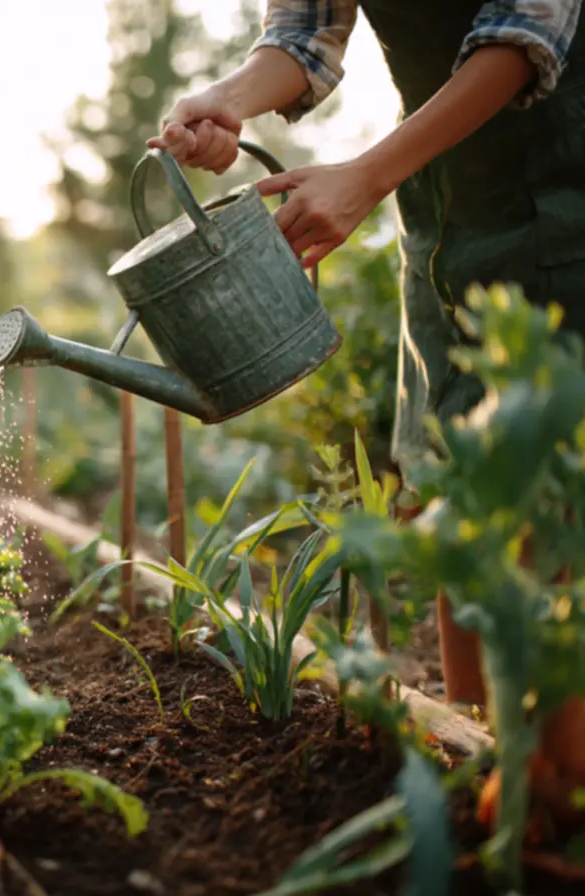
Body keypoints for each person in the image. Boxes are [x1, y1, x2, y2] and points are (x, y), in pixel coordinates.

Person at [148, 0, 584, 832]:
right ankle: (487, 782)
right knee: (451, 487)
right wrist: (230, 100)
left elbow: (522, 37)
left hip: (568, 202)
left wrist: (368, 174)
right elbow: (304, 32)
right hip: (447, 216)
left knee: (546, 511)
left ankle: (557, 812)